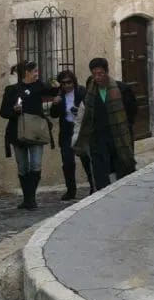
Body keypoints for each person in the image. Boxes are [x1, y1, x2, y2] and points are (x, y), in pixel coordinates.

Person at [0, 61, 57, 210]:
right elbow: (3, 112)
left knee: (36, 164)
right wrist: (14, 110)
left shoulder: (39, 86)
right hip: (18, 133)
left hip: (36, 132)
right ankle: (27, 198)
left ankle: (31, 198)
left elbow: (53, 92)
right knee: (23, 167)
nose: (37, 74)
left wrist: (57, 86)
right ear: (26, 73)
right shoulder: (12, 90)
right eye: (35, 71)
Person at [74, 58, 137, 191]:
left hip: (118, 137)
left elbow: (131, 113)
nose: (98, 77)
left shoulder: (122, 89)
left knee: (122, 169)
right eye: (94, 74)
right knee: (100, 173)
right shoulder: (90, 93)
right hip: (98, 138)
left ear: (106, 72)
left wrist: (124, 130)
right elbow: (87, 117)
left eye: (100, 74)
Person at [49, 69, 93, 200]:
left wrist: (79, 112)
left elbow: (89, 109)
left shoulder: (81, 92)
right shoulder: (60, 95)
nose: (67, 85)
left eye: (69, 82)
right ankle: (71, 190)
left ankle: (93, 186)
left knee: (86, 160)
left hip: (81, 130)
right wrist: (55, 104)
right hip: (67, 131)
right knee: (67, 162)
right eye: (63, 83)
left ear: (73, 81)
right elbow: (54, 114)